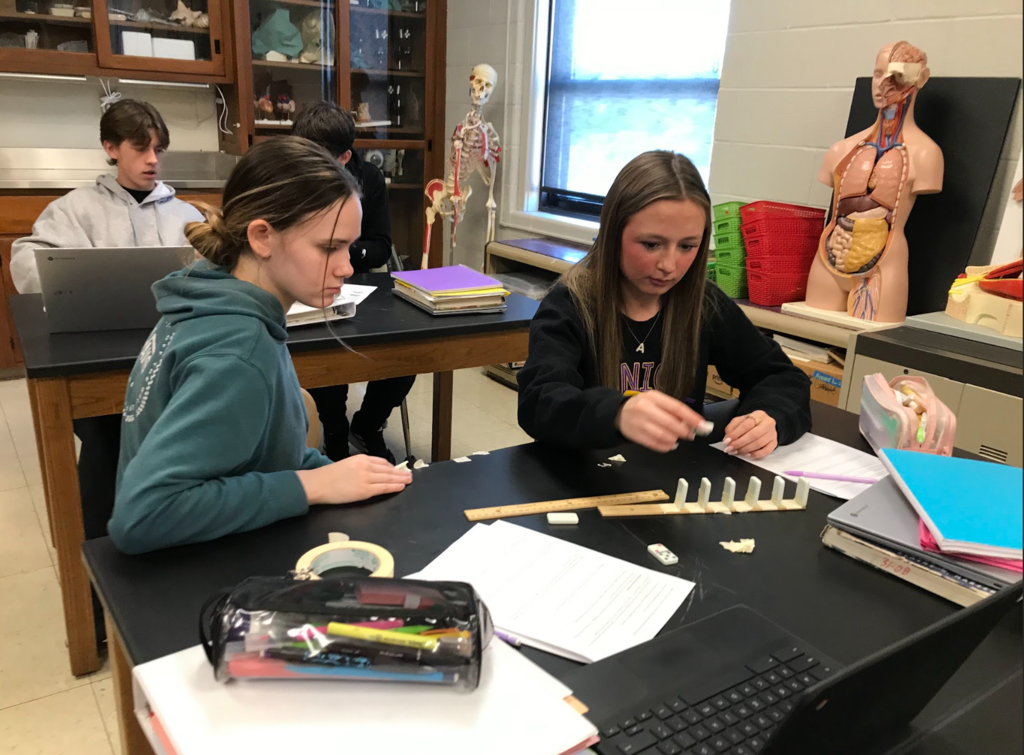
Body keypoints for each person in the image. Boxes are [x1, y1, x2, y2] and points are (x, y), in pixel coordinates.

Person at [108, 137, 413, 555]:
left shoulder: (215, 296)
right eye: (329, 248)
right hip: (202, 577)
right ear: (262, 237)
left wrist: (332, 475)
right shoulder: (238, 351)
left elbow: (268, 455)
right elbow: (142, 515)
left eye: (349, 246)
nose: (347, 266)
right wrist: (311, 484)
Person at [517, 151, 811, 459]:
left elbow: (781, 377)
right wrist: (617, 413)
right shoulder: (570, 305)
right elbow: (540, 402)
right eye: (651, 244)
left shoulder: (704, 304)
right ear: (613, 234)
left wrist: (770, 417)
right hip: (581, 477)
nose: (669, 265)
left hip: (671, 476)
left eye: (687, 246)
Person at [9, 99, 204, 543]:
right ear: (111, 148)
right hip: (98, 357)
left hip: (172, 350)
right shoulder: (74, 210)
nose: (153, 160)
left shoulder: (186, 215)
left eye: (159, 149)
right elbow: (26, 260)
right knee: (106, 427)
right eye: (141, 149)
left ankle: (184, 519)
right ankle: (97, 545)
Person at [291, 101, 415, 464]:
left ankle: (368, 424)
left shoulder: (370, 180)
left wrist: (340, 252)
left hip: (356, 286)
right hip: (303, 288)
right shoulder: (290, 174)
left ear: (344, 157)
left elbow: (380, 246)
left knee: (408, 350)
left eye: (319, 157)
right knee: (325, 354)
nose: (306, 166)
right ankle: (333, 431)